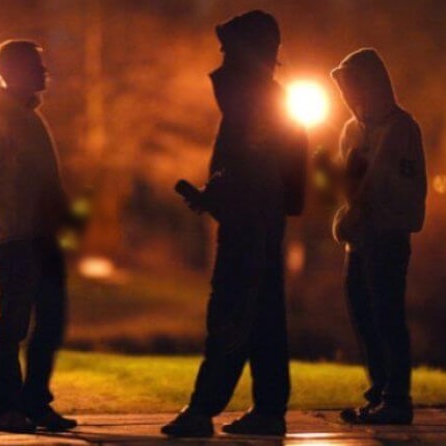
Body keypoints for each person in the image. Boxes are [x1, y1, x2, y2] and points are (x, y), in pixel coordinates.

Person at [161, 10, 307, 438]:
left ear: (247, 54)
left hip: (249, 224)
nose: (221, 60)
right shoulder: (267, 101)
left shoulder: (256, 104)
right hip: (260, 219)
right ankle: (268, 409)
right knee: (263, 317)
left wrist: (220, 195)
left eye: (228, 51)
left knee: (231, 311)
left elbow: (253, 166)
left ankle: (203, 409)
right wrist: (216, 194)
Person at [0, 40, 77, 434]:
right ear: (16, 70)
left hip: (44, 236)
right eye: (36, 65)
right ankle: (6, 407)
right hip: (16, 236)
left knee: (49, 320)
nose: (44, 70)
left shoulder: (30, 118)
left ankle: (35, 402)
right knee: (14, 323)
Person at [330, 48, 427, 425]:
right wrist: (345, 211)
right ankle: (381, 388)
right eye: (344, 86)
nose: (347, 93)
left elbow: (397, 184)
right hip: (358, 239)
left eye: (353, 84)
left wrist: (362, 210)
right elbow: (346, 183)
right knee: (362, 312)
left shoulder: (401, 128)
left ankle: (397, 398)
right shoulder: (351, 130)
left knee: (387, 313)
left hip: (387, 235)